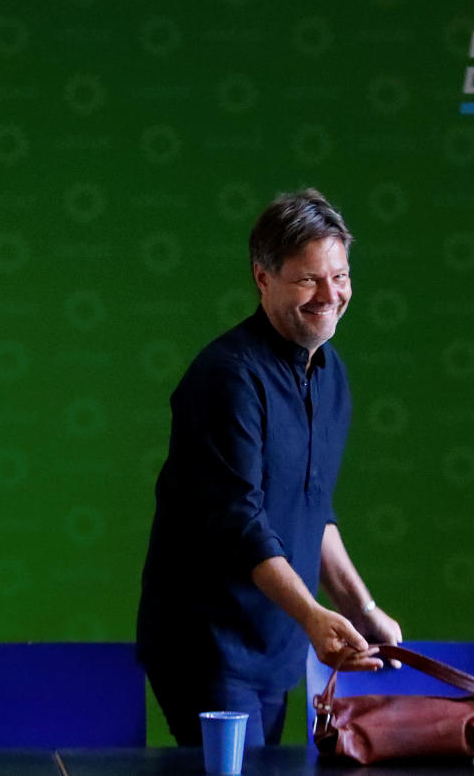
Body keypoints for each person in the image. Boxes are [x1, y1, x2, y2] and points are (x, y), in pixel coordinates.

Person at [136, 188, 402, 747]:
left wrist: (361, 608)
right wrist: (312, 614)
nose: (330, 294)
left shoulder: (331, 376)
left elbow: (313, 511)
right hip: (207, 645)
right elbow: (240, 522)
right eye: (308, 279)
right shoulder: (226, 377)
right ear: (263, 278)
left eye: (340, 275)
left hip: (278, 645)